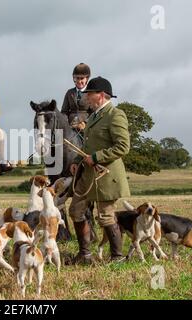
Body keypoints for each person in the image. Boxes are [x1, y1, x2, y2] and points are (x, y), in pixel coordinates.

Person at [68, 76, 130, 265]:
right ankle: (85, 254)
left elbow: (123, 147)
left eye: (89, 94)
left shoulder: (115, 114)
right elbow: (88, 146)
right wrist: (78, 159)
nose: (86, 97)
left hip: (106, 175)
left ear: (101, 95)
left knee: (105, 216)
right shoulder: (93, 116)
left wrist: (95, 158)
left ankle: (117, 257)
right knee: (75, 210)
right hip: (87, 175)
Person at [60, 63, 92, 131]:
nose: (79, 81)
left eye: (82, 78)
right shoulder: (69, 92)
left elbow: (94, 112)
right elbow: (64, 112)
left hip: (86, 127)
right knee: (57, 135)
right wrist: (65, 123)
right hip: (70, 126)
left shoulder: (91, 93)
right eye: (77, 78)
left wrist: (85, 122)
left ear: (87, 78)